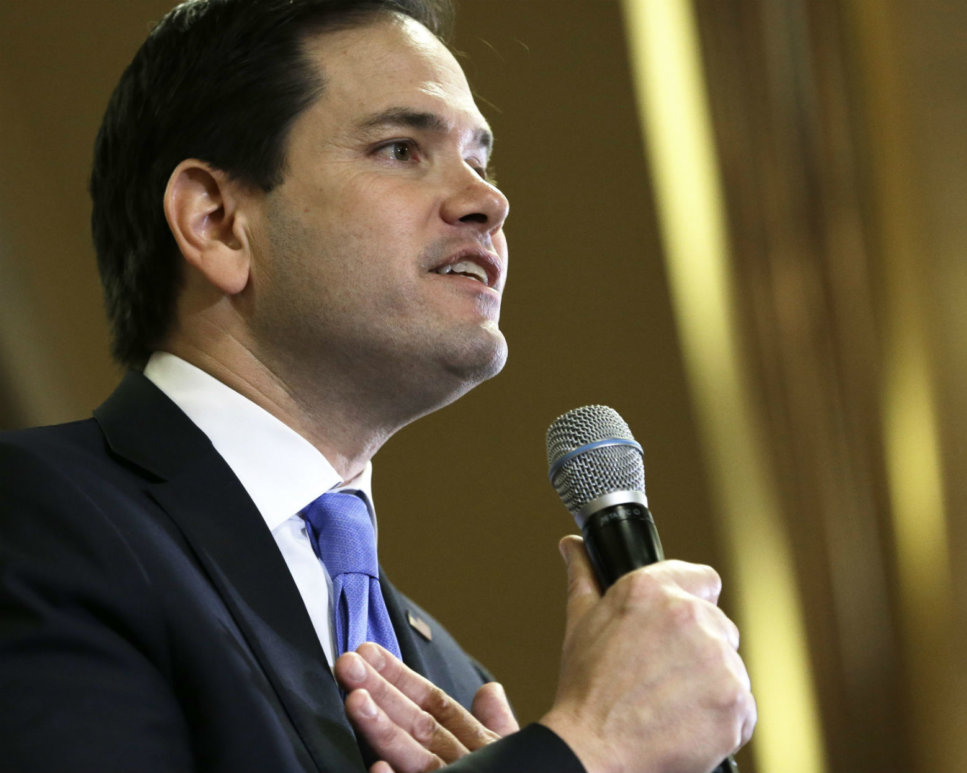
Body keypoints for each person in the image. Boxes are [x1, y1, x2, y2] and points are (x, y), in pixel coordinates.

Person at [0, 1, 756, 771]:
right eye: (401, 149)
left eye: (481, 162)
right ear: (217, 221)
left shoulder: (450, 679)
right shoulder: (35, 515)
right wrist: (588, 750)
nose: (489, 201)